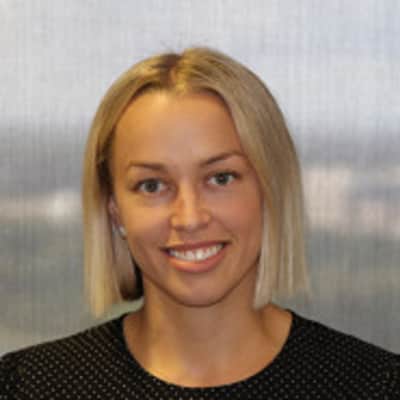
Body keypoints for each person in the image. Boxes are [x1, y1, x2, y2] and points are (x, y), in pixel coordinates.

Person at [0, 47, 398, 399]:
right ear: (114, 210)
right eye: (152, 185)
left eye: (221, 178)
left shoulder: (376, 386)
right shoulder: (27, 386)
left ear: (272, 190)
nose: (189, 218)